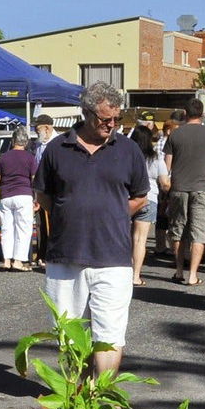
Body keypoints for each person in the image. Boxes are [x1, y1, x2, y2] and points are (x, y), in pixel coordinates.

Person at [36, 80, 149, 373]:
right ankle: (75, 400)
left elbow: (139, 196)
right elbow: (44, 195)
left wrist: (110, 215)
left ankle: (101, 396)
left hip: (113, 257)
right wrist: (67, 215)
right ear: (86, 113)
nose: (111, 125)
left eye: (117, 119)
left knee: (109, 334)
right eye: (105, 119)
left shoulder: (128, 150)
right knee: (69, 333)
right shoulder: (57, 149)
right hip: (65, 255)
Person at [163, 99, 205, 286]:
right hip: (202, 188)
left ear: (185, 112)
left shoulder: (175, 135)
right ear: (202, 113)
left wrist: (165, 188)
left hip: (179, 187)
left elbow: (166, 165)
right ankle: (192, 275)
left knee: (178, 230)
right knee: (199, 231)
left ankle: (179, 270)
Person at [0, 127, 39, 271]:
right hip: (24, 195)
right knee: (23, 229)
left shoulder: (4, 157)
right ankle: (18, 261)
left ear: (13, 140)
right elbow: (34, 180)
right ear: (25, 142)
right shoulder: (30, 157)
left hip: (6, 196)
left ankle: (6, 260)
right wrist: (36, 198)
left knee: (7, 228)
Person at [129, 124, 169, 286]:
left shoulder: (126, 156)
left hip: (128, 199)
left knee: (126, 238)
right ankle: (135, 276)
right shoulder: (156, 158)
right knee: (140, 240)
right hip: (149, 198)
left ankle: (123, 271)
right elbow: (165, 182)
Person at [31, 114, 56, 262]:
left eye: (37, 128)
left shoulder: (57, 142)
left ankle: (50, 253)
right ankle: (42, 253)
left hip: (51, 190)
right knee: (40, 223)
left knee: (52, 222)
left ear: (47, 128)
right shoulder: (39, 144)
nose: (35, 132)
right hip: (40, 189)